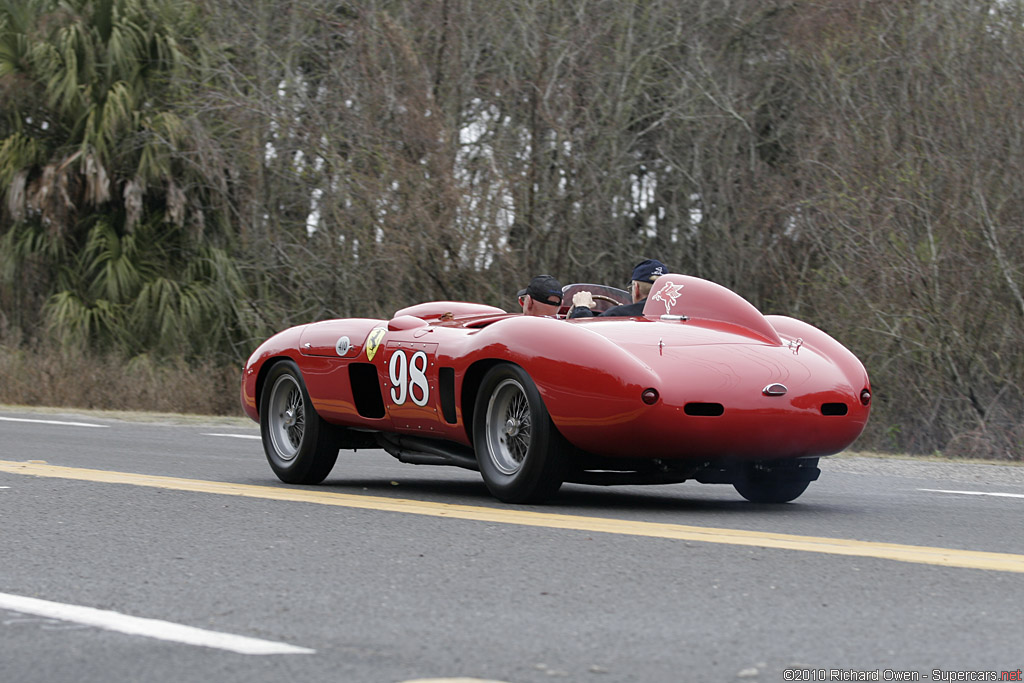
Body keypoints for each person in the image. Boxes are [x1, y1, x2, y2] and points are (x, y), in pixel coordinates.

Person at [568, 258, 668, 318]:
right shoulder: (679, 317)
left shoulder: (618, 315)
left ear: (636, 289)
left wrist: (582, 308)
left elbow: (585, 336)